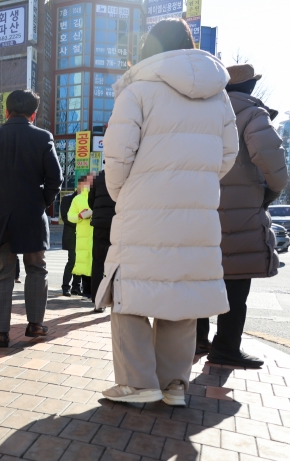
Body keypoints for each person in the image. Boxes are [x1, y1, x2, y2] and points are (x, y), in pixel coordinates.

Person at [95, 19, 238, 405]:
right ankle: (174, 386)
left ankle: (138, 384)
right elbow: (227, 155)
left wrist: (124, 192)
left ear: (149, 47)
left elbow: (117, 157)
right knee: (182, 295)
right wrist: (195, 181)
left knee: (128, 296)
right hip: (198, 210)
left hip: (144, 207)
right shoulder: (218, 94)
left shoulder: (137, 88)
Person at [197, 64, 289, 367]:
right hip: (241, 216)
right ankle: (225, 347)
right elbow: (274, 167)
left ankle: (196, 340)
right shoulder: (252, 113)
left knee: (200, 278)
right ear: (249, 87)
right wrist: (265, 196)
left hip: (201, 212)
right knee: (235, 285)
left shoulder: (201, 113)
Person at [0, 89, 62, 348]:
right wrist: (42, 201)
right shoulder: (43, 138)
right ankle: (35, 325)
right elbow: (56, 179)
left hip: (1, 218)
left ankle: (1, 333)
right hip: (32, 216)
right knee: (36, 269)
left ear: (6, 112)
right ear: (34, 114)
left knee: (2, 273)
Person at [88, 167, 115, 312]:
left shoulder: (98, 177)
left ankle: (98, 302)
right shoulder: (124, 174)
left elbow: (90, 201)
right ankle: (117, 301)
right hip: (117, 223)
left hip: (99, 225)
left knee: (98, 262)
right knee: (118, 263)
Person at [68, 175, 93, 300]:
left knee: (97, 264)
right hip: (83, 235)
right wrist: (79, 215)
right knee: (83, 263)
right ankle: (86, 292)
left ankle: (96, 293)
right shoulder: (77, 199)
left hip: (97, 233)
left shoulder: (101, 195)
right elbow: (70, 216)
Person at [60, 188, 80, 296]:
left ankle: (76, 287)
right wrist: (80, 222)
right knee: (72, 260)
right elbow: (65, 217)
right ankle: (65, 287)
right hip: (71, 235)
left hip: (83, 235)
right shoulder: (67, 199)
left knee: (80, 261)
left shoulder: (86, 199)